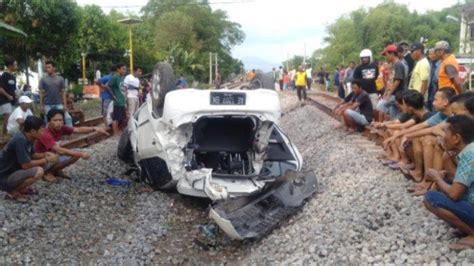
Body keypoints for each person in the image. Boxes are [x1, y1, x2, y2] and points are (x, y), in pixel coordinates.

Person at [423, 115, 474, 250]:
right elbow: (455, 179)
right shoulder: (467, 151)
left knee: (431, 198)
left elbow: (454, 194)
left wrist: (436, 178)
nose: (442, 136)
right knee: (443, 183)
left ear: (456, 138)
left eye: (445, 132)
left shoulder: (470, 154)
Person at [35, 109, 109, 182]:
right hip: (41, 160)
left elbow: (78, 130)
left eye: (60, 120)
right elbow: (59, 150)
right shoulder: (45, 133)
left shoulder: (61, 128)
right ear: (49, 121)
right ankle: (47, 173)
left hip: (51, 155)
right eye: (55, 120)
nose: (58, 123)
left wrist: (94, 128)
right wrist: (81, 154)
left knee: (74, 154)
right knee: (63, 154)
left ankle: (55, 170)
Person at [0, 116, 56, 202]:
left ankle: (21, 188)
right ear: (33, 131)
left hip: (15, 171)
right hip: (6, 176)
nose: (43, 132)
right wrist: (47, 159)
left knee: (42, 163)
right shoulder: (20, 140)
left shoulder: (30, 137)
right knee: (39, 171)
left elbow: (33, 155)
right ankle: (12, 191)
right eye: (41, 130)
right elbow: (26, 165)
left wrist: (45, 154)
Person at [377, 44, 407, 120]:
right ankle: (395, 128)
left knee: (380, 105)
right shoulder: (394, 65)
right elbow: (391, 81)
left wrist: (389, 94)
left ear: (392, 54)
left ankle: (382, 126)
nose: (385, 57)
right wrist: (386, 93)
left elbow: (397, 81)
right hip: (393, 94)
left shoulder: (398, 64)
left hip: (397, 94)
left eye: (386, 55)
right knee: (394, 115)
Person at [39, 60, 72, 127]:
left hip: (58, 104)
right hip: (47, 104)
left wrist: (64, 105)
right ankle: (48, 136)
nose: (47, 69)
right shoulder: (43, 80)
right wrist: (41, 106)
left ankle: (70, 133)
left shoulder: (60, 79)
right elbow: (41, 93)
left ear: (54, 68)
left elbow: (63, 93)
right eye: (46, 67)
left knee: (67, 118)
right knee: (48, 121)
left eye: (49, 67)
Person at [0, 58, 18, 136]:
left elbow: (13, 89)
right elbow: (0, 88)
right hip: (4, 100)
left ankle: (10, 134)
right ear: (10, 66)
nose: (17, 66)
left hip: (13, 101)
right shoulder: (4, 75)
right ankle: (3, 136)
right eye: (15, 64)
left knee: (12, 118)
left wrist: (16, 95)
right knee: (7, 117)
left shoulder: (13, 76)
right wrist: (8, 96)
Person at [109, 63, 127, 137]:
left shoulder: (121, 78)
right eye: (123, 69)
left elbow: (122, 88)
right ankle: (115, 133)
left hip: (122, 101)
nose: (124, 71)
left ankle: (118, 131)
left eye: (125, 69)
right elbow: (107, 86)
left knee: (122, 118)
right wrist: (113, 95)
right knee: (115, 118)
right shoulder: (115, 77)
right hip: (117, 101)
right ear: (118, 69)